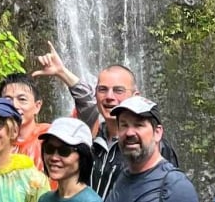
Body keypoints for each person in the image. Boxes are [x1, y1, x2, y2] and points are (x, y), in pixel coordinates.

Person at [30, 47, 154, 196]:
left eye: (118, 90)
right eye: (102, 89)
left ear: (135, 96)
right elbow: (85, 101)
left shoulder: (147, 143)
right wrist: (61, 72)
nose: (109, 96)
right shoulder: (90, 137)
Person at [100, 98, 194, 202]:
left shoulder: (175, 185)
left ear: (157, 133)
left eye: (138, 125)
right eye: (124, 125)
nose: (129, 133)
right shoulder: (122, 179)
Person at [36, 119, 99, 202]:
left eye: (64, 151)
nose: (54, 157)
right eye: (49, 149)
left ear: (83, 156)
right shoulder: (44, 199)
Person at [0, 75, 48, 170]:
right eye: (8, 100)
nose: (15, 106)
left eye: (22, 99)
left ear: (37, 106)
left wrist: (62, 73)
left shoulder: (49, 135)